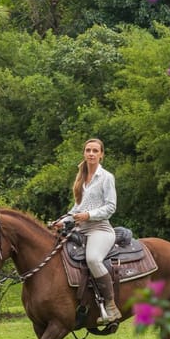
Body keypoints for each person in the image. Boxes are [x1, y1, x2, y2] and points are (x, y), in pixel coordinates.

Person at [52, 138, 121, 324]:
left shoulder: (107, 177)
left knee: (93, 259)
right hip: (80, 230)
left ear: (101, 155)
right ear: (84, 153)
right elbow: (76, 209)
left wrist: (88, 215)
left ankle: (111, 307)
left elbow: (110, 207)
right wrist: (62, 221)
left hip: (100, 229)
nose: (91, 153)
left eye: (95, 151)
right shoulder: (82, 178)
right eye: (88, 150)